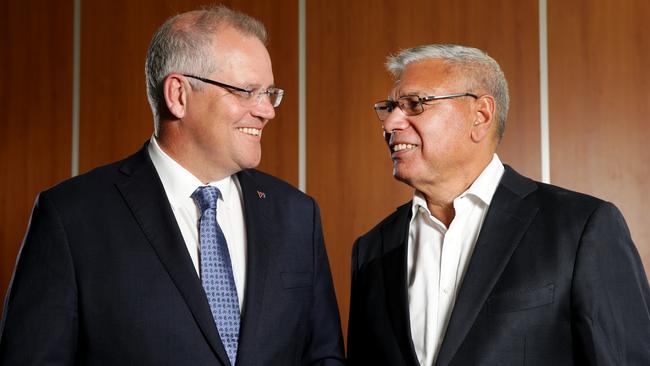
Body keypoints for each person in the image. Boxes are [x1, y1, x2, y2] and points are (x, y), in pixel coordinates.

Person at [0, 6, 344, 365]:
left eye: (269, 92)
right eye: (246, 91)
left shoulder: (297, 215)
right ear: (178, 95)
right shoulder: (71, 217)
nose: (267, 110)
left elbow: (323, 357)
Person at [347, 44, 650, 365]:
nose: (391, 123)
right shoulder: (371, 250)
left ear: (480, 116)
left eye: (413, 104)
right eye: (391, 107)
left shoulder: (581, 229)